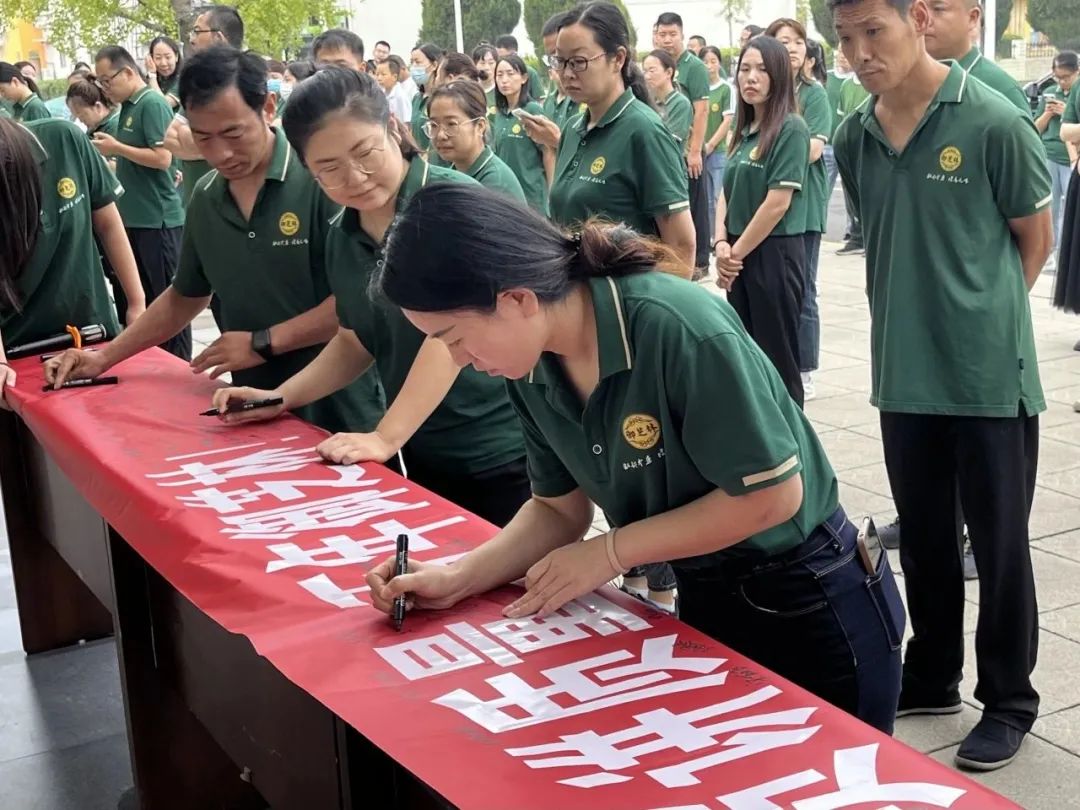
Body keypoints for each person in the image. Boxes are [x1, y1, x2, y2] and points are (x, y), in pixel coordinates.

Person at [366, 181, 905, 735]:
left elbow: (771, 497)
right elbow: (557, 510)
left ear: (517, 299)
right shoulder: (530, 366)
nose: (458, 359)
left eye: (454, 337)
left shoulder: (677, 327)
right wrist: (456, 578)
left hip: (810, 599)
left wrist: (611, 552)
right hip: (710, 594)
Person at [832, 0, 1052, 771]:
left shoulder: (992, 120)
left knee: (998, 547)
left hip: (987, 380)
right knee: (923, 543)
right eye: (846, 38)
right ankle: (931, 675)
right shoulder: (853, 134)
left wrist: (981, 323)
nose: (860, 53)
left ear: (917, 19)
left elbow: (1034, 236)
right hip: (903, 375)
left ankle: (1009, 700)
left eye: (875, 33)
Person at [213, 67, 531, 527]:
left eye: (366, 153)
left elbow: (451, 338)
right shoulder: (345, 231)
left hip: (498, 447)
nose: (356, 177)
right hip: (423, 444)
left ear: (393, 130)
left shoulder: (448, 204)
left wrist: (384, 437)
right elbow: (354, 337)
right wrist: (278, 398)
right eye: (329, 169)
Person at [45, 47, 386, 437]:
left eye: (233, 133)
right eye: (203, 137)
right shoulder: (207, 197)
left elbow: (358, 301)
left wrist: (263, 342)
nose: (221, 153)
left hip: (342, 412)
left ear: (268, 106)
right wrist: (104, 357)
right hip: (248, 405)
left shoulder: (321, 181)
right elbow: (186, 295)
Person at [540, 2, 695, 273]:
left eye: (578, 61)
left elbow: (682, 249)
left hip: (625, 302)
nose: (566, 73)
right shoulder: (573, 128)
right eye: (560, 61)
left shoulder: (644, 131)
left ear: (618, 59)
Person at [0, 116, 145, 401]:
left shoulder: (64, 140)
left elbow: (108, 223)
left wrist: (137, 305)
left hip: (90, 332)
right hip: (15, 347)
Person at [716, 36, 809, 407]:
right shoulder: (743, 131)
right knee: (749, 356)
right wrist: (720, 243)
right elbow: (725, 192)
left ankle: (795, 444)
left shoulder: (790, 128)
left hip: (774, 254)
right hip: (738, 253)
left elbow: (777, 203)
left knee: (778, 359)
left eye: (762, 70)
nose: (750, 78)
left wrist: (733, 255)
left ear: (780, 76)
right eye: (744, 69)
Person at [93, 45, 190, 361]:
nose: (105, 88)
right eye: (101, 83)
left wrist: (118, 148)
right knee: (146, 303)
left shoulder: (151, 104)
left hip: (158, 219)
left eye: (107, 81)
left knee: (168, 303)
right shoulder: (128, 108)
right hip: (136, 218)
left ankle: (178, 366)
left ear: (128, 72)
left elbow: (163, 158)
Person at [766, 19, 831, 402]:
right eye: (781, 41)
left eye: (796, 41)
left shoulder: (814, 94)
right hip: (766, 208)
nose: (790, 48)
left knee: (804, 290)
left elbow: (814, 149)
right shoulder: (762, 93)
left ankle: (804, 367)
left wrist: (770, 159)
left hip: (803, 207)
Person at [167, 4, 245, 203]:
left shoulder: (246, 81)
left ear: (218, 37)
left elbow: (245, 146)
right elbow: (170, 138)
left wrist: (190, 137)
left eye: (197, 31)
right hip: (197, 205)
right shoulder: (198, 84)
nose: (191, 39)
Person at [655, 12, 711, 275]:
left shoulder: (694, 67)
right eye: (662, 34)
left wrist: (695, 151)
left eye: (672, 34)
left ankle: (700, 261)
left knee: (695, 205)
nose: (667, 40)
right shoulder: (655, 63)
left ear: (682, 34)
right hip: (667, 153)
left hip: (688, 149)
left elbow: (701, 110)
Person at [427, 79, 525, 201]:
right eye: (433, 125)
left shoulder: (494, 183)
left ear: (480, 126)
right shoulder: (454, 173)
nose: (441, 135)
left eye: (451, 124)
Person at [924, 0, 1029, 114]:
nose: (923, 18)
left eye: (938, 9)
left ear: (972, 18)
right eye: (916, 9)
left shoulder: (1002, 89)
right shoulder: (907, 82)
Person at [1036, 51, 1078, 269]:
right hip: (1049, 155)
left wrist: (1066, 112)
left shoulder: (1076, 95)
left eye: (1066, 77)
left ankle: (1065, 254)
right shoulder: (1051, 92)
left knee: (1068, 208)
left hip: (1070, 158)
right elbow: (1035, 129)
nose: (1061, 82)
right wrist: (1048, 113)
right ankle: (1049, 252)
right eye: (1057, 77)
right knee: (1049, 206)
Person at [493, 54, 551, 215]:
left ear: (524, 78)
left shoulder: (532, 110)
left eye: (511, 74)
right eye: (499, 75)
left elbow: (548, 151)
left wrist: (551, 192)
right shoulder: (499, 114)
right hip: (506, 195)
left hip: (532, 196)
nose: (504, 80)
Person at [701, 45, 734, 243]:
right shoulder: (700, 89)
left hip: (718, 152)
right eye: (705, 62)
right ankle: (709, 236)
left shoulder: (726, 89)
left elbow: (727, 120)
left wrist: (711, 144)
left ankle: (721, 236)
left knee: (718, 197)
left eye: (713, 61)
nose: (710, 66)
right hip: (700, 151)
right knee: (705, 201)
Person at [409, 43, 443, 154]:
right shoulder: (416, 99)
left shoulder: (440, 98)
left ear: (434, 65)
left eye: (418, 62)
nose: (413, 67)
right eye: (412, 62)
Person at [494, 34, 546, 99]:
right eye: (498, 58)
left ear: (514, 54)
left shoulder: (530, 72)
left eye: (504, 57)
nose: (501, 61)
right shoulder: (496, 72)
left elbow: (540, 99)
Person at [146, 36, 183, 109]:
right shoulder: (151, 80)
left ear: (176, 57)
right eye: (158, 58)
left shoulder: (184, 79)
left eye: (168, 57)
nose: (163, 63)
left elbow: (162, 105)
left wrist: (152, 76)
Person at [376, 55, 411, 123]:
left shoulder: (400, 97)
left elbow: (406, 121)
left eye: (383, 74)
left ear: (394, 77)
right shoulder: (381, 93)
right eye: (377, 74)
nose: (379, 78)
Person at [472, 44, 499, 118]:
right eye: (482, 63)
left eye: (491, 63)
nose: (487, 67)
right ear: (474, 65)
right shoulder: (469, 91)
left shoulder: (502, 91)